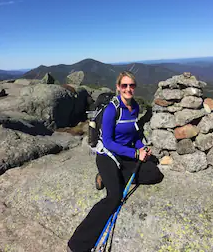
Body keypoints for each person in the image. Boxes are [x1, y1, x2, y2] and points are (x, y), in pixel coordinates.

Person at [67, 71, 164, 252]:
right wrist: (135, 155)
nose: (128, 89)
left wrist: (141, 147)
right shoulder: (112, 109)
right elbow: (110, 143)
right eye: (124, 85)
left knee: (154, 173)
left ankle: (107, 177)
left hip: (126, 154)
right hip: (108, 155)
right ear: (118, 87)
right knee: (114, 197)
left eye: (131, 85)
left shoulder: (134, 107)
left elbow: (134, 134)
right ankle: (77, 244)